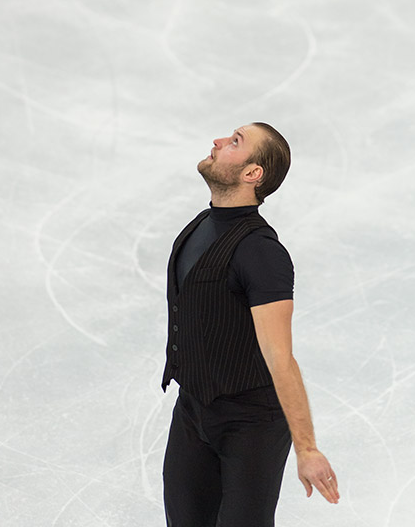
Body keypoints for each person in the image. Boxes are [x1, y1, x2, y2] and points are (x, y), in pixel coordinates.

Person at [161, 122, 339, 527]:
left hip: (250, 425)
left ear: (252, 173)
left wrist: (307, 449)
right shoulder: (199, 227)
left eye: (235, 142)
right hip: (193, 411)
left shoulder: (261, 253)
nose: (218, 141)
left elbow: (281, 359)